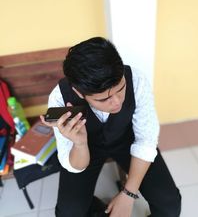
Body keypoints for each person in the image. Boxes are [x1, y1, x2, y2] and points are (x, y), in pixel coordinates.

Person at [41, 37, 181, 217]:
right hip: (85, 147)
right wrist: (80, 144)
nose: (117, 102)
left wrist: (128, 194)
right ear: (79, 92)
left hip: (127, 139)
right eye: (103, 99)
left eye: (120, 89)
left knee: (169, 202)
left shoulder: (136, 80)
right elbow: (74, 165)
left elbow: (146, 140)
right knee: (69, 212)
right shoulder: (60, 98)